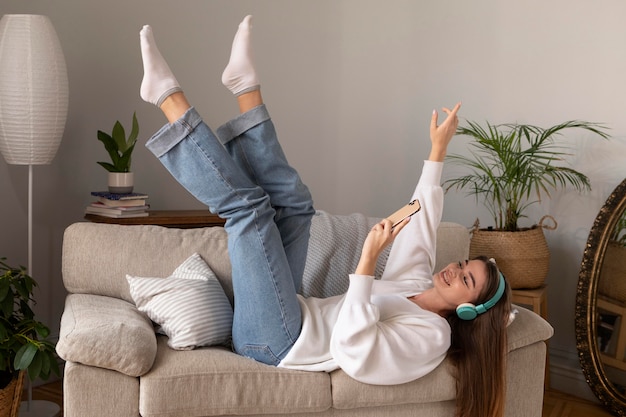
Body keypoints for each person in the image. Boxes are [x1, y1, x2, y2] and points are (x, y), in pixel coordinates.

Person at [139, 15, 512, 417]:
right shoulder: (416, 283)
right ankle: (245, 87)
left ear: (469, 311)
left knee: (248, 210)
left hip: (276, 343)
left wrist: (368, 262)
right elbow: (422, 221)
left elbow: (355, 352)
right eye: (461, 264)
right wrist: (438, 150)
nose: (454, 271)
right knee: (297, 207)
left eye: (466, 279)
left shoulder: (432, 337)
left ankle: (166, 97)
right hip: (291, 313)